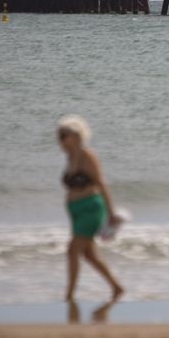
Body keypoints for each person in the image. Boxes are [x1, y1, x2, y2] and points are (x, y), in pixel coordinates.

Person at [57, 115, 124, 302]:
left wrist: (111, 214)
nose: (60, 139)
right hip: (76, 212)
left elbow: (102, 184)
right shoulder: (69, 158)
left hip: (91, 209)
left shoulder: (88, 156)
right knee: (89, 254)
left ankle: (69, 295)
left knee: (72, 250)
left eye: (64, 135)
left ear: (77, 136)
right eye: (59, 135)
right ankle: (117, 287)